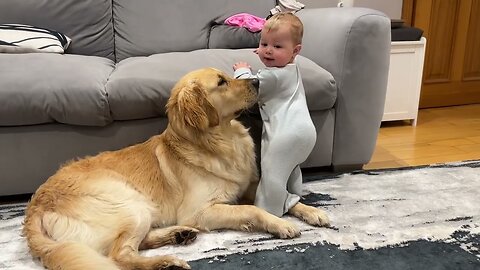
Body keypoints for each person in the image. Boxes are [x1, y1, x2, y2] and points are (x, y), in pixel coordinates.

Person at [233, 12, 316, 217]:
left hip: (284, 135)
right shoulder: (292, 70)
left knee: (272, 174)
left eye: (277, 47)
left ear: (295, 51)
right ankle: (293, 194)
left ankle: (271, 209)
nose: (268, 51)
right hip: (305, 133)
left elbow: (251, 88)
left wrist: (242, 71)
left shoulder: (273, 76)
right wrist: (271, 51)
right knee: (290, 167)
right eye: (264, 45)